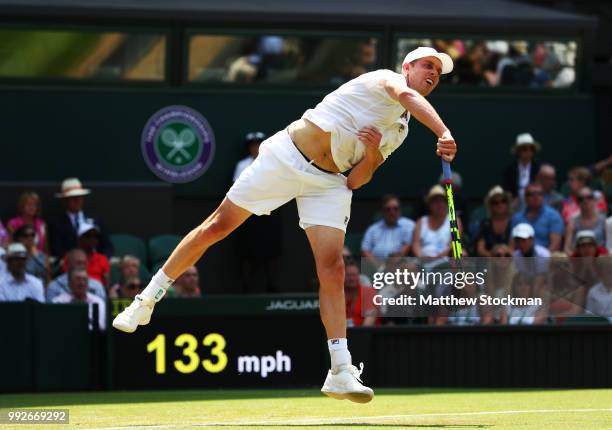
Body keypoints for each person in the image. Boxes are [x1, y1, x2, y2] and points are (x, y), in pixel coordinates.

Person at [114, 46, 457, 403]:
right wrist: (443, 131)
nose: (432, 74)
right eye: (427, 66)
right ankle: (146, 300)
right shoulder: (384, 80)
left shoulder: (400, 130)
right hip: (287, 157)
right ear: (407, 67)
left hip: (330, 182)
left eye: (438, 71)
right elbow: (405, 94)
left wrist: (371, 153)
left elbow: (357, 181)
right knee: (217, 226)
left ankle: (340, 370)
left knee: (333, 268)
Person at [49, 178, 113, 259]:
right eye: (73, 197)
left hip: (96, 265)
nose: (77, 201)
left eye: (79, 197)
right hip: (72, 266)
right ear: (65, 200)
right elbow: (57, 250)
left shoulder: (96, 219)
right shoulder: (57, 223)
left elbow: (107, 246)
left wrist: (100, 261)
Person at [361, 194, 415, 268]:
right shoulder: (373, 229)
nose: (392, 212)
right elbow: (365, 250)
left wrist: (390, 266)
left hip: (400, 267)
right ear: (382, 211)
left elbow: (406, 247)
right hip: (375, 269)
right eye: (388, 209)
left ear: (400, 210)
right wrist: (379, 267)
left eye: (396, 208)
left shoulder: (409, 225)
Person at [412, 185, 461, 260]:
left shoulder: (454, 220)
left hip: (445, 261)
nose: (439, 204)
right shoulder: (421, 221)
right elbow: (416, 244)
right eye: (435, 201)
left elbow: (454, 244)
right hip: (422, 262)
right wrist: (421, 257)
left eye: (442, 200)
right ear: (429, 204)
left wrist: (438, 257)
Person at [511, 182, 564, 252]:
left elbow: (555, 245)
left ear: (544, 197)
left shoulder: (554, 216)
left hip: (547, 259)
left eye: (539, 194)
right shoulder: (517, 218)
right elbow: (512, 245)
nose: (536, 197)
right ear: (525, 198)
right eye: (531, 194)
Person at [63, 222, 110, 287]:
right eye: (88, 236)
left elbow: (106, 285)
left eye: (95, 236)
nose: (92, 239)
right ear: (80, 238)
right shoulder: (70, 257)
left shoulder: (102, 258)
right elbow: (65, 280)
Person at [563, 187, 607, 255]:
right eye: (581, 199)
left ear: (594, 199)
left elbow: (610, 246)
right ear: (577, 202)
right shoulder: (572, 222)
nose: (585, 201)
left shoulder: (603, 220)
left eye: (589, 197)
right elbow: (567, 248)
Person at [503, 133, 541, 205]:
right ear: (518, 151)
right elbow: (507, 190)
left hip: (535, 201)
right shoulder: (510, 170)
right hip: (516, 204)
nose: (528, 152)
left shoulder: (538, 168)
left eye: (531, 149)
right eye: (525, 149)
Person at [475, 186, 512, 257]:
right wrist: (495, 259)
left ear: (507, 204)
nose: (500, 204)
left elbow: (514, 248)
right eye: (495, 202)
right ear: (490, 206)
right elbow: (480, 249)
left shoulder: (513, 222)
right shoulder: (485, 224)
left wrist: (503, 258)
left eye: (503, 201)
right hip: (489, 263)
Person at [344, 259, 378, 327]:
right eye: (348, 275)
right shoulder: (337, 294)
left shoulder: (368, 292)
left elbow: (369, 320)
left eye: (354, 275)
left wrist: (358, 336)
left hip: (365, 334)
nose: (351, 278)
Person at [585, 256, 612, 321]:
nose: (610, 273)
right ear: (600, 273)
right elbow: (589, 315)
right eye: (607, 270)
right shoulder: (593, 292)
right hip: (600, 327)